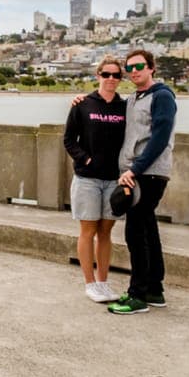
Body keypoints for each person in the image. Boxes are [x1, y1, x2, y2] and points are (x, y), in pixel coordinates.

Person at [107, 49, 177, 316]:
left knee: (135, 232)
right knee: (148, 229)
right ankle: (154, 289)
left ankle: (137, 295)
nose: (134, 71)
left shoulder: (162, 97)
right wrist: (81, 101)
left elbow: (160, 138)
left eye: (139, 66)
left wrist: (134, 169)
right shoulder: (136, 98)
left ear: (151, 68)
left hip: (148, 174)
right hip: (137, 173)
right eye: (130, 68)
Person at [63, 56, 127, 303]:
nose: (111, 79)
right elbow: (69, 139)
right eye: (106, 74)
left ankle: (103, 282)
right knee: (87, 230)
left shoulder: (125, 107)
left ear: (121, 79)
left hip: (113, 180)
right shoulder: (82, 104)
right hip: (87, 179)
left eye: (116, 75)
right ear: (98, 75)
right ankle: (89, 284)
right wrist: (86, 159)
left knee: (106, 232)